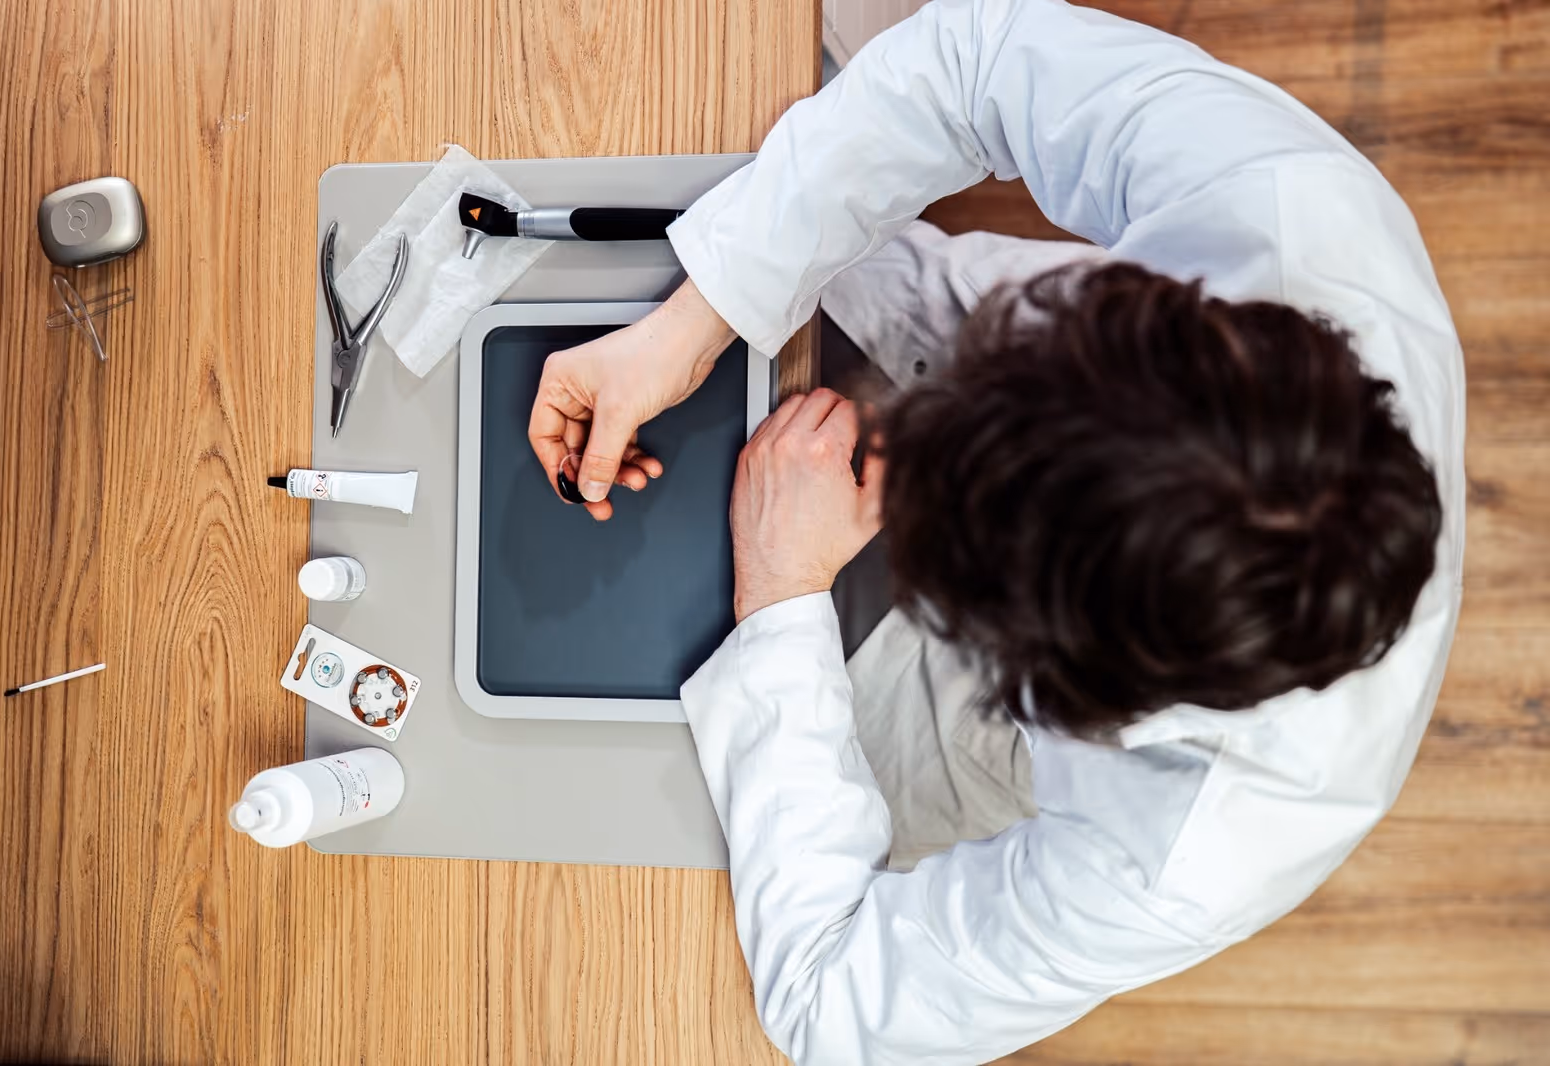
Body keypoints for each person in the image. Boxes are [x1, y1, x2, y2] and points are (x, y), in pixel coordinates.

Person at [527, 0, 1464, 1062]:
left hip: (995, 727)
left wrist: (781, 596)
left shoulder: (1189, 852)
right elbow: (974, 62)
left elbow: (832, 1007)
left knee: (699, 811)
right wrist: (704, 315)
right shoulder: (1287, 206)